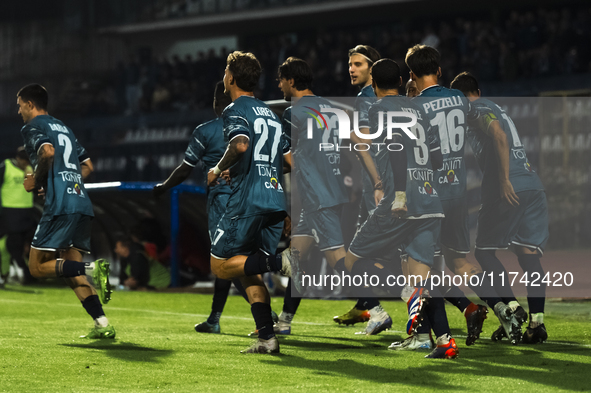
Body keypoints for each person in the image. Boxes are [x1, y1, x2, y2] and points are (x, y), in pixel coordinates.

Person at [343, 59, 459, 359]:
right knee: (420, 278)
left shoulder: (379, 108)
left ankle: (408, 296)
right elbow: (436, 158)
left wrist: (400, 195)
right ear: (401, 80)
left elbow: (394, 145)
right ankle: (442, 341)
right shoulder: (418, 108)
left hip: (400, 201)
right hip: (430, 198)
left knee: (351, 262)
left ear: (375, 84)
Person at [406, 44, 516, 344]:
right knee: (461, 263)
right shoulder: (458, 98)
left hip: (429, 195)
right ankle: (500, 304)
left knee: (420, 268)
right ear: (440, 70)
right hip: (458, 192)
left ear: (412, 75)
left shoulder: (413, 106)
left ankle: (427, 335)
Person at [275, 57, 385, 335]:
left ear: (290, 81)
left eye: (281, 80)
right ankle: (284, 321)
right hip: (332, 192)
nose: (279, 86)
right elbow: (358, 143)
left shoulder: (293, 113)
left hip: (316, 197)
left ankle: (376, 310)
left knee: (339, 260)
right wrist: (377, 180)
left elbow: (289, 160)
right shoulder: (331, 108)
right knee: (298, 259)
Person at [451, 71, 549, 344]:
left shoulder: (474, 110)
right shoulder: (497, 107)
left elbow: (499, 137)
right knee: (528, 255)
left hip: (507, 188)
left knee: (483, 253)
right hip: (532, 184)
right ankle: (536, 323)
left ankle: (514, 310)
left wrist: (504, 180)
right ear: (478, 90)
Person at [206, 51, 293, 354]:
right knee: (247, 270)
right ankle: (267, 338)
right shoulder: (271, 113)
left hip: (247, 200)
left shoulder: (235, 109)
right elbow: (290, 161)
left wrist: (217, 170)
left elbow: (240, 144)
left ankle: (280, 262)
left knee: (220, 266)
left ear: (230, 77)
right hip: (274, 196)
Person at [17, 83, 114, 339]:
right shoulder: (64, 128)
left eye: (19, 106)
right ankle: (102, 324)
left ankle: (93, 269)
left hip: (61, 206)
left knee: (37, 268)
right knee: (68, 269)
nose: (18, 112)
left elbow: (47, 153)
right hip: (81, 202)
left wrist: (37, 182)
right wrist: (61, 182)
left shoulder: (33, 127)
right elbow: (88, 166)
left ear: (29, 104)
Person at [154, 81, 251, 333]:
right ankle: (215, 319)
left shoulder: (205, 131)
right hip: (251, 198)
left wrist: (164, 187)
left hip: (222, 202)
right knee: (236, 259)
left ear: (217, 102)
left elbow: (185, 168)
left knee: (224, 261)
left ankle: (261, 309)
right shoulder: (249, 127)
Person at [333, 45, 394, 332]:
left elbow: (364, 144)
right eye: (350, 64)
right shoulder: (392, 97)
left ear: (373, 68)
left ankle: (380, 311)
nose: (352, 69)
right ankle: (364, 305)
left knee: (360, 254)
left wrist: (376, 183)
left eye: (358, 64)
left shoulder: (366, 99)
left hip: (379, 188)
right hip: (385, 185)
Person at [0, 146, 37, 285]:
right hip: (10, 212)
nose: (27, 164)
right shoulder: (6, 166)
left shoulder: (29, 170)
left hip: (27, 213)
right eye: (25, 161)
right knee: (11, 246)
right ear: (18, 158)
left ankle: (24, 272)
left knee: (25, 246)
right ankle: (25, 274)